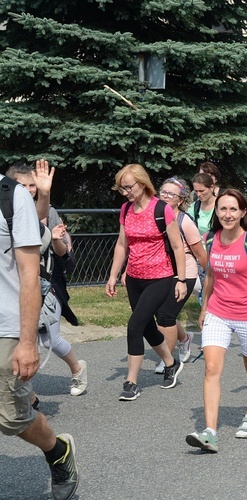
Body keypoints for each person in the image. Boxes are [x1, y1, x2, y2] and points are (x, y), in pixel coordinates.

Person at [0, 170, 79, 499]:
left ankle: (57, 450)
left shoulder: (11, 196)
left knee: (10, 417)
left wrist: (29, 341)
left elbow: (31, 274)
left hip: (6, 324)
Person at [186, 191, 247, 453]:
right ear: (216, 212)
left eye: (233, 209)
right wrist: (204, 308)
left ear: (242, 213)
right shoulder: (211, 239)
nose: (227, 214)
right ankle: (210, 432)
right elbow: (211, 275)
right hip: (218, 312)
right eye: (223, 209)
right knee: (211, 369)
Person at [106, 164, 187, 401]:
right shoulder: (126, 210)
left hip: (160, 278)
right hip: (134, 278)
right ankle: (171, 363)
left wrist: (181, 279)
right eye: (122, 188)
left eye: (128, 187)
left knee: (134, 326)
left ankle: (131, 382)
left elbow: (177, 246)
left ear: (142, 183)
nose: (125, 192)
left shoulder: (162, 209)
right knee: (148, 327)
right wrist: (113, 274)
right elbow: (122, 244)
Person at [5, 163, 87, 397]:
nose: (28, 190)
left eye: (32, 185)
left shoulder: (46, 212)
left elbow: (41, 220)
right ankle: (26, 396)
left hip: (44, 284)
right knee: (13, 339)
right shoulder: (5, 207)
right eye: (23, 185)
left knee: (50, 340)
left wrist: (45, 194)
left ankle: (77, 368)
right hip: (12, 284)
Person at [153, 177, 208, 373]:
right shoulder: (156, 215)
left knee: (165, 315)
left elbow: (200, 254)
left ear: (180, 200)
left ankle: (167, 359)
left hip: (186, 273)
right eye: (163, 192)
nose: (165, 196)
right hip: (162, 272)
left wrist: (209, 278)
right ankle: (184, 339)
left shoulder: (185, 222)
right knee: (162, 313)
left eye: (171, 194)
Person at [191, 172, 218, 237]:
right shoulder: (193, 207)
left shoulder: (222, 205)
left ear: (212, 187)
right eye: (196, 191)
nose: (198, 194)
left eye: (202, 191)